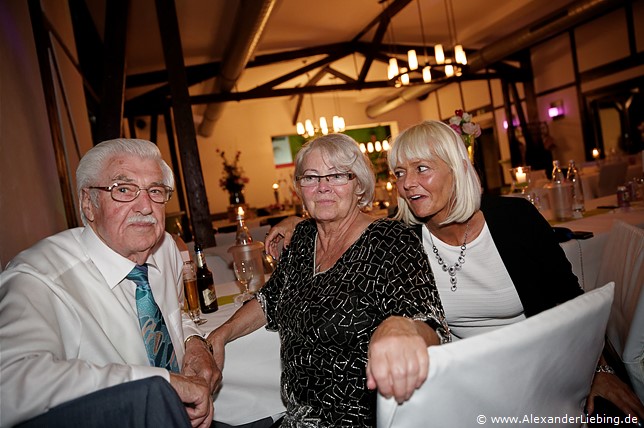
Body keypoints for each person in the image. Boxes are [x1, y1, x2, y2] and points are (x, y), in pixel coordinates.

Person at [265, 121, 644, 420]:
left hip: (546, 370)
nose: (408, 184)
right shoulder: (403, 237)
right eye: (399, 173)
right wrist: (292, 220)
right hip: (470, 384)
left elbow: (571, 303)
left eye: (422, 169)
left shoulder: (514, 220)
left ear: (458, 169)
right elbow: (349, 216)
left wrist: (599, 372)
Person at [207, 133, 450, 427]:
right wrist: (221, 334)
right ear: (299, 189)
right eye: (310, 178)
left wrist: (404, 328)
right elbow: (269, 299)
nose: (322, 187)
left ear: (359, 185)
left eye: (336, 176)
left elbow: (431, 326)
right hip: (295, 419)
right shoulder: (303, 238)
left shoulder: (390, 240)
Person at [0, 138, 218, 427]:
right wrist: (160, 383)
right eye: (124, 189)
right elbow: (10, 384)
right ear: (88, 204)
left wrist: (194, 343)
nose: (145, 207)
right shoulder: (38, 278)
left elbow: (172, 313)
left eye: (155, 191)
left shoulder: (165, 249)